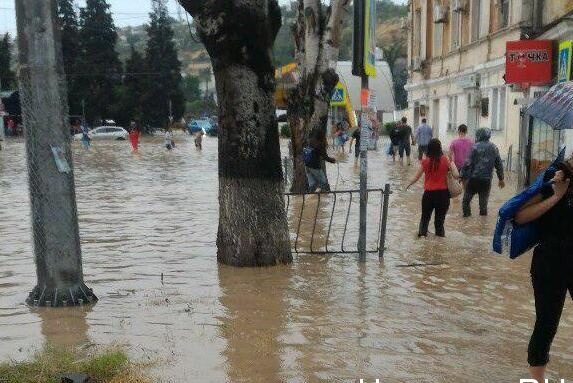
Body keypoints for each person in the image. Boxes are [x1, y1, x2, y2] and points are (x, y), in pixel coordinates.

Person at [514, 158, 573, 382]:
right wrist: (557, 195)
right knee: (547, 323)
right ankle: (538, 380)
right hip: (550, 262)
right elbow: (520, 216)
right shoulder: (554, 176)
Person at [406, 138, 459, 237]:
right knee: (439, 223)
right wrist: (451, 161)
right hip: (443, 195)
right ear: (440, 148)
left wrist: (408, 185)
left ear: (428, 149)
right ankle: (439, 246)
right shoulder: (445, 159)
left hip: (428, 195)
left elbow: (416, 177)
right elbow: (456, 175)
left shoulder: (425, 161)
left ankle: (422, 241)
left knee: (425, 219)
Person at [460, 128, 505, 217]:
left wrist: (462, 175)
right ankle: (483, 225)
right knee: (483, 205)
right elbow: (499, 164)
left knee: (466, 201)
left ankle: (467, 219)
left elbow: (467, 163)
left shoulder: (475, 147)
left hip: (474, 179)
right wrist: (501, 179)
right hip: (486, 180)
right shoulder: (494, 147)